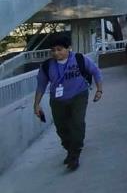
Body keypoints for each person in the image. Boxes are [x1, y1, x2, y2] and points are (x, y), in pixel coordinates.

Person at [33, 36, 103, 171]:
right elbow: (41, 85)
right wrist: (36, 104)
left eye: (59, 49)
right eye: (53, 50)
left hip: (79, 95)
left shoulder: (79, 59)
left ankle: (74, 154)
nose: (56, 53)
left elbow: (95, 71)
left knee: (77, 123)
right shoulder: (47, 66)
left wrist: (99, 90)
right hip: (57, 100)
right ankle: (69, 150)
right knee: (61, 128)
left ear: (68, 48)